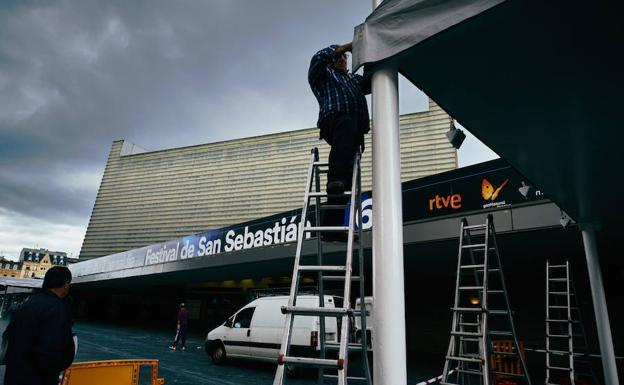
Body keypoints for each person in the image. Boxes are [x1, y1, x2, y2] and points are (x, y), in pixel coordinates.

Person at [308, 42, 371, 238]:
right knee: (338, 178)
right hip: (334, 121)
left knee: (345, 184)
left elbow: (370, 81)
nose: (343, 60)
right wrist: (347, 46)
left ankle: (331, 229)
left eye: (345, 58)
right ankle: (334, 178)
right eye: (339, 58)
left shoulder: (353, 80)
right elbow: (318, 58)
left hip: (353, 133)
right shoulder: (324, 75)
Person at [4, 266, 75, 385]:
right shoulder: (57, 308)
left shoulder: (28, 303)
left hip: (14, 374)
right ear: (66, 284)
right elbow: (51, 349)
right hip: (37, 377)